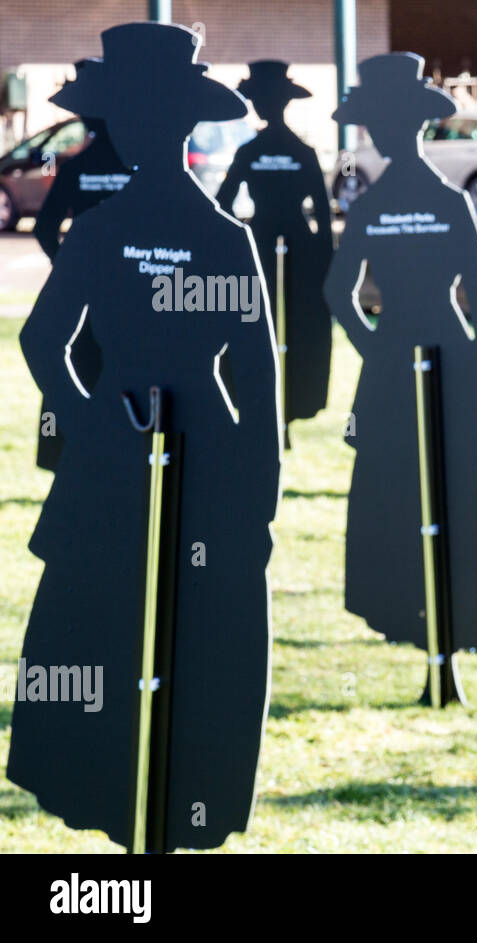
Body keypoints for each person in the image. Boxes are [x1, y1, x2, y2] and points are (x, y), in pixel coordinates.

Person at [7, 22, 280, 851]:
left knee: (181, 635)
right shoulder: (191, 238)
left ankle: (160, 808)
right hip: (137, 458)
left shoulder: (200, 240)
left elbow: (42, 346)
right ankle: (133, 806)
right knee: (113, 626)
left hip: (172, 456)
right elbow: (259, 390)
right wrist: (103, 417)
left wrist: (95, 414)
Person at [324, 54, 477, 680]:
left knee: (423, 484)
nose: (384, 135)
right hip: (434, 351)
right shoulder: (435, 203)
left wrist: (377, 345)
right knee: (422, 485)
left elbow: (339, 294)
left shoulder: (389, 205)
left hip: (413, 354)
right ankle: (425, 618)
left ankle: (434, 623)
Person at [217, 61, 334, 439]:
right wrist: (321, 254)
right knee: (272, 325)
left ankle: (285, 408)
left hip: (267, 242)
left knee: (285, 327)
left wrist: (239, 240)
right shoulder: (300, 151)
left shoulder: (254, 151)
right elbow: (322, 212)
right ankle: (274, 407)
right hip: (286, 243)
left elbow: (224, 204)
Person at [30, 59, 130, 471]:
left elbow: (44, 228)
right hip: (131, 293)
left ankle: (68, 451)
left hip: (84, 295)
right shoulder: (135, 167)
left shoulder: (76, 167)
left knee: (73, 361)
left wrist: (69, 268)